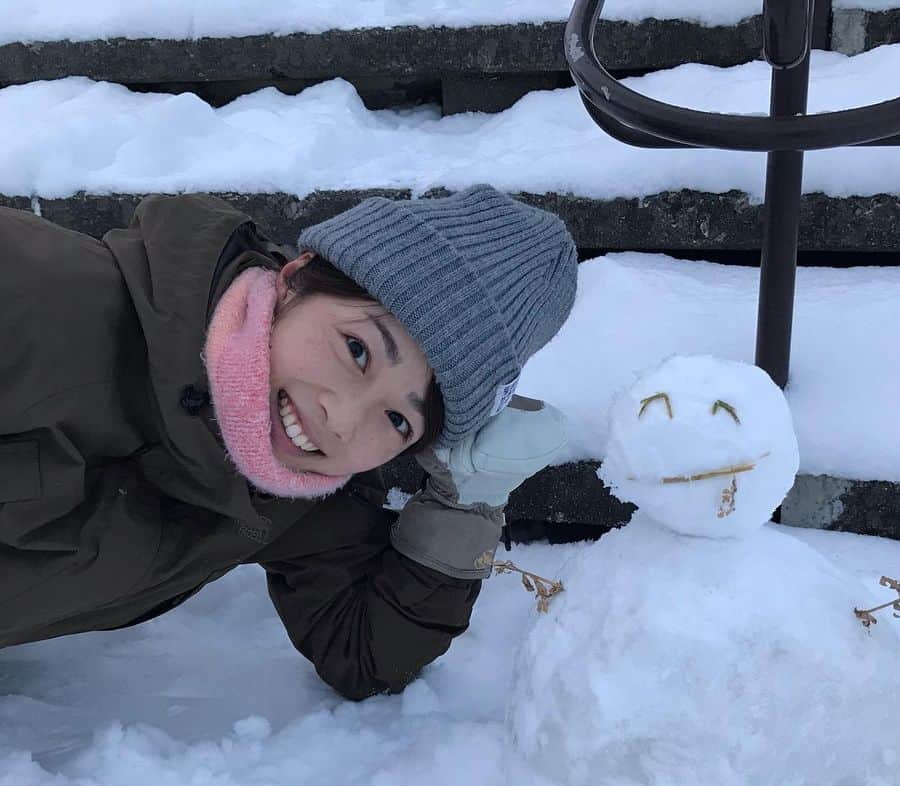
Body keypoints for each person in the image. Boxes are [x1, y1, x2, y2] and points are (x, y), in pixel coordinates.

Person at [0, 186, 577, 699]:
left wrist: (468, 497)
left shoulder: (290, 498)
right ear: (298, 276)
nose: (343, 420)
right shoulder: (34, 295)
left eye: (399, 421)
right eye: (357, 350)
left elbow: (366, 655)